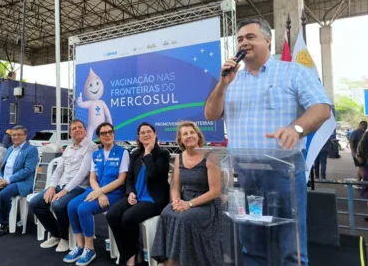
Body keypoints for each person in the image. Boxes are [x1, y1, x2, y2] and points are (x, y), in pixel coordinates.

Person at [204, 18, 332, 265]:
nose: (244, 42)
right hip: (243, 173)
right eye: (240, 39)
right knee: (250, 242)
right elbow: (210, 114)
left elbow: (322, 108)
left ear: (267, 41)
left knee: (290, 245)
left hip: (282, 171)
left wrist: (296, 128)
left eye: (250, 37)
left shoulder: (292, 72)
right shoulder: (231, 81)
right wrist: (222, 83)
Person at [151, 121, 222, 266]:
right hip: (184, 200)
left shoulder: (210, 157)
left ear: (198, 135)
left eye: (192, 132)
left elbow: (215, 192)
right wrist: (177, 201)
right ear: (180, 139)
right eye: (185, 134)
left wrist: (188, 204)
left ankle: (177, 262)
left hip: (206, 204)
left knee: (184, 219)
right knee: (166, 212)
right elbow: (176, 186)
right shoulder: (179, 158)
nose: (189, 136)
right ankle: (165, 259)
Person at [65, 122, 129, 266]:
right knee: (71, 206)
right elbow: (93, 178)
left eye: (110, 132)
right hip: (96, 190)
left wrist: (102, 192)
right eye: (104, 133)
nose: (108, 135)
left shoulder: (122, 152)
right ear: (98, 137)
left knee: (83, 209)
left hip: (114, 193)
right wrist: (99, 192)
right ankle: (79, 246)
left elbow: (121, 180)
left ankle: (90, 248)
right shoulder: (96, 154)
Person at [106, 122, 170, 266]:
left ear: (155, 134)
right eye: (142, 132)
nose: (146, 134)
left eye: (149, 132)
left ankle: (132, 255)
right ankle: (131, 253)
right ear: (139, 137)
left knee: (128, 218)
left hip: (153, 199)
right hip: (137, 196)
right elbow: (129, 179)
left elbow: (154, 173)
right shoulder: (135, 154)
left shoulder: (163, 154)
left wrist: (148, 154)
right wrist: (130, 193)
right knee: (112, 215)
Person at [30, 120, 98, 252]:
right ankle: (55, 234)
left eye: (80, 127)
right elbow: (58, 170)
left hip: (79, 187)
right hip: (61, 185)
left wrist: (65, 191)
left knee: (58, 205)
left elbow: (82, 173)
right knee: (35, 203)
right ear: (70, 133)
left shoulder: (91, 147)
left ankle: (65, 238)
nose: (77, 130)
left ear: (85, 130)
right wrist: (51, 187)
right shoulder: (68, 148)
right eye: (74, 128)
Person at [350, 121, 367, 189]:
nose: (364, 126)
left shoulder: (365, 133)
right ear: (360, 125)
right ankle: (365, 184)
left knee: (361, 168)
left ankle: (358, 183)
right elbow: (351, 143)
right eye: (363, 125)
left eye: (365, 125)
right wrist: (354, 154)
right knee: (361, 168)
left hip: (363, 154)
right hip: (358, 154)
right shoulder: (355, 132)